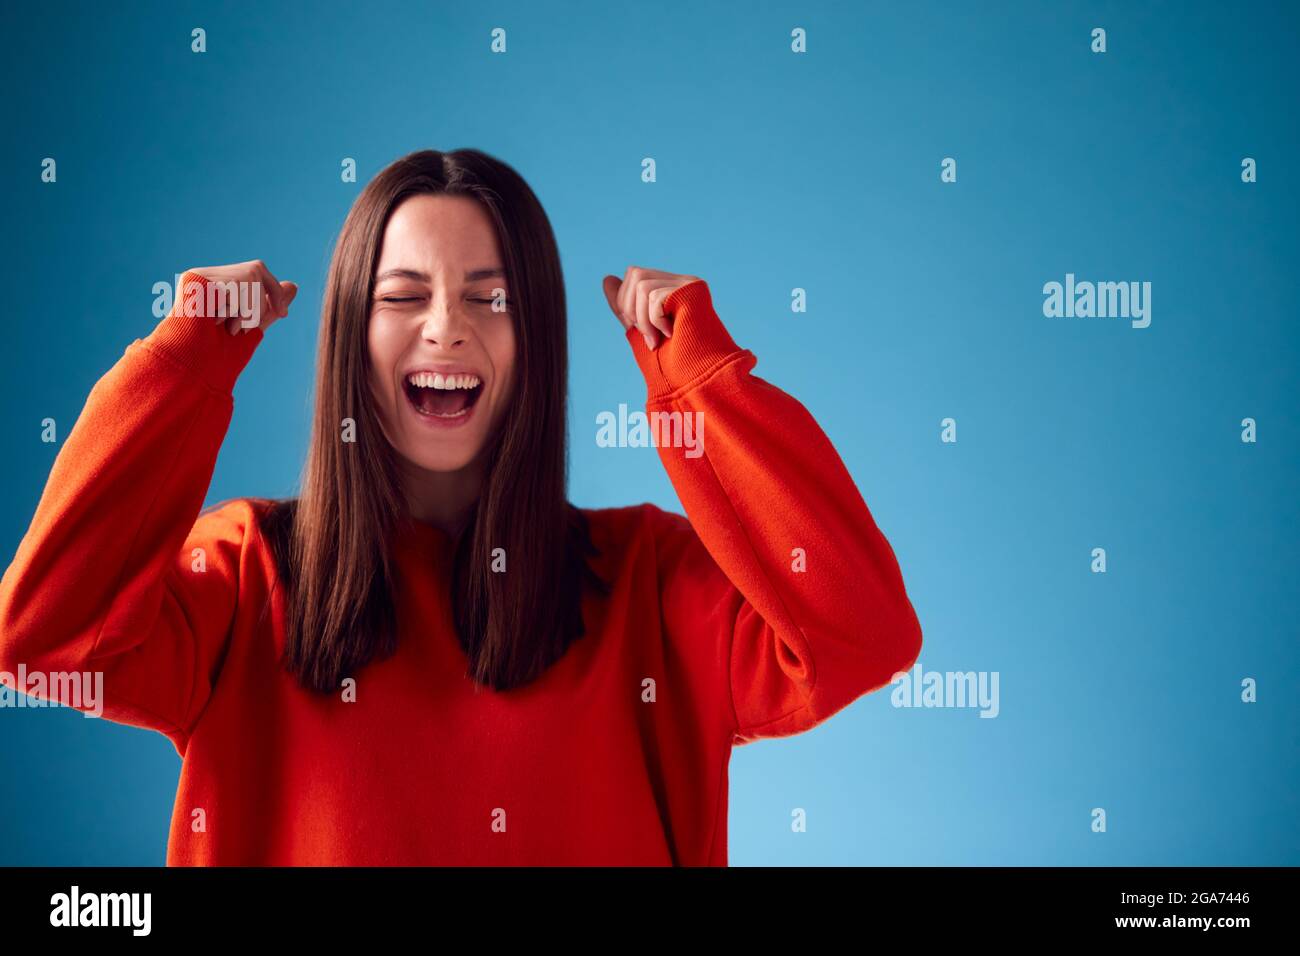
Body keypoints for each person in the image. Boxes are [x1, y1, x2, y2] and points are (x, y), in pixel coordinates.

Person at [0, 148, 922, 865]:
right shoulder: (245, 574)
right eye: (403, 296)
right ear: (349, 340)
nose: (448, 325)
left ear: (540, 344)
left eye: (494, 297)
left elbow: (862, 636)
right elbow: (38, 644)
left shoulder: (649, 580)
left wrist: (700, 387)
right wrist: (185, 363)